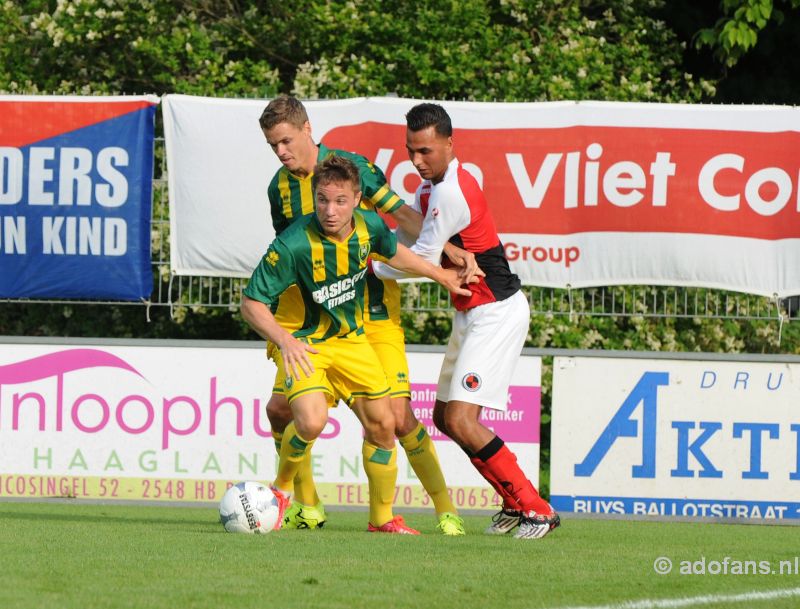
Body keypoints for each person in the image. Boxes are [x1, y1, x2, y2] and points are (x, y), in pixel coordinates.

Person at [257, 95, 470, 535]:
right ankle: (306, 505)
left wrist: (446, 252)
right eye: (272, 145)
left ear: (307, 129)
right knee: (282, 411)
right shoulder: (278, 189)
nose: (280, 152)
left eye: (286, 141)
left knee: (397, 418)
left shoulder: (355, 168)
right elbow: (289, 254)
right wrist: (281, 327)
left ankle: (444, 510)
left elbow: (400, 215)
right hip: (308, 320)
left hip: (371, 314)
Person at [373, 103, 560, 539]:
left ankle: (535, 508)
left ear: (449, 144)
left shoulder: (450, 192)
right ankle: (516, 505)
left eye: (426, 151)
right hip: (471, 311)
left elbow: (421, 259)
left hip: (495, 310)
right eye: (410, 151)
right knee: (443, 416)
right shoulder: (434, 188)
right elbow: (417, 241)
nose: (417, 161)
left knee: (460, 418)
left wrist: (372, 268)